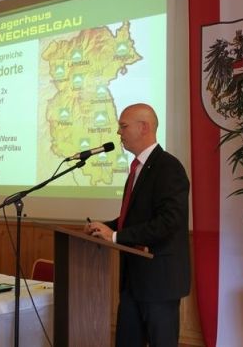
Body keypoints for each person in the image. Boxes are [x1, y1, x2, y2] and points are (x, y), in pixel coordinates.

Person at [85, 103, 191, 347]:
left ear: (144, 127)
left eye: (123, 126)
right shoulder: (138, 168)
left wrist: (115, 236)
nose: (118, 132)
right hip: (134, 281)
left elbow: (168, 223)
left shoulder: (169, 167)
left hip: (159, 282)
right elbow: (133, 220)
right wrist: (104, 227)